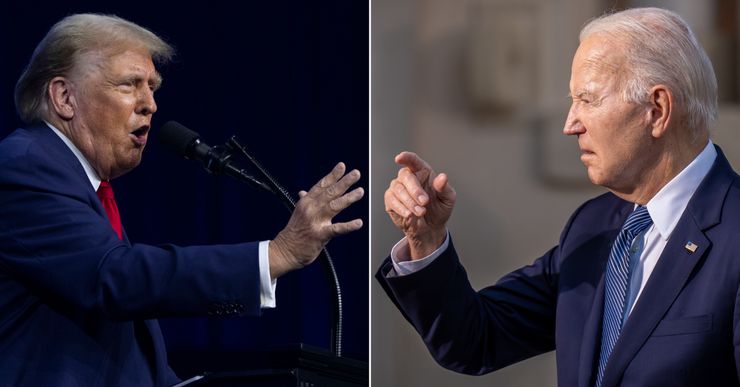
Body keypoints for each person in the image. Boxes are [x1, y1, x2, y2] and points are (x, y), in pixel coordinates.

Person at [378, 7, 740, 387]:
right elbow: (475, 340)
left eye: (588, 99)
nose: (571, 124)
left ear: (657, 109)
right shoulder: (592, 227)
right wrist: (428, 238)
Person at [0, 13, 364, 386]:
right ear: (64, 97)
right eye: (130, 84)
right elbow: (114, 277)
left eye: (153, 87)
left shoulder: (81, 185)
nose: (150, 104)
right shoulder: (24, 166)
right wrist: (276, 256)